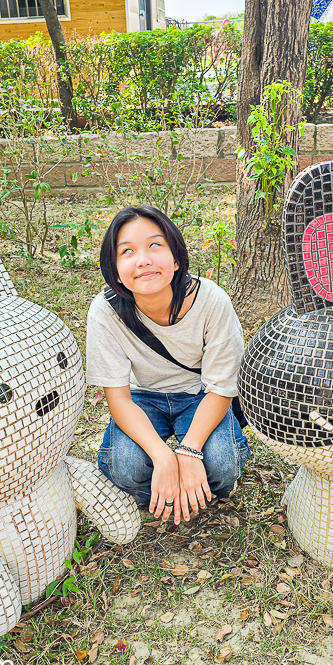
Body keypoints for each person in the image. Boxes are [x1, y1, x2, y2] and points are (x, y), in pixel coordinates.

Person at [86, 206, 251, 526]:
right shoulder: (105, 312)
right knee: (125, 469)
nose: (143, 259)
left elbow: (221, 387)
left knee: (222, 467)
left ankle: (192, 485)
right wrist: (164, 458)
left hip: (200, 395)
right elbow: (118, 399)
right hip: (141, 398)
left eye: (155, 245)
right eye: (127, 251)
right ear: (116, 270)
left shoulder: (212, 301)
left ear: (176, 258)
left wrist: (188, 453)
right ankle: (171, 485)